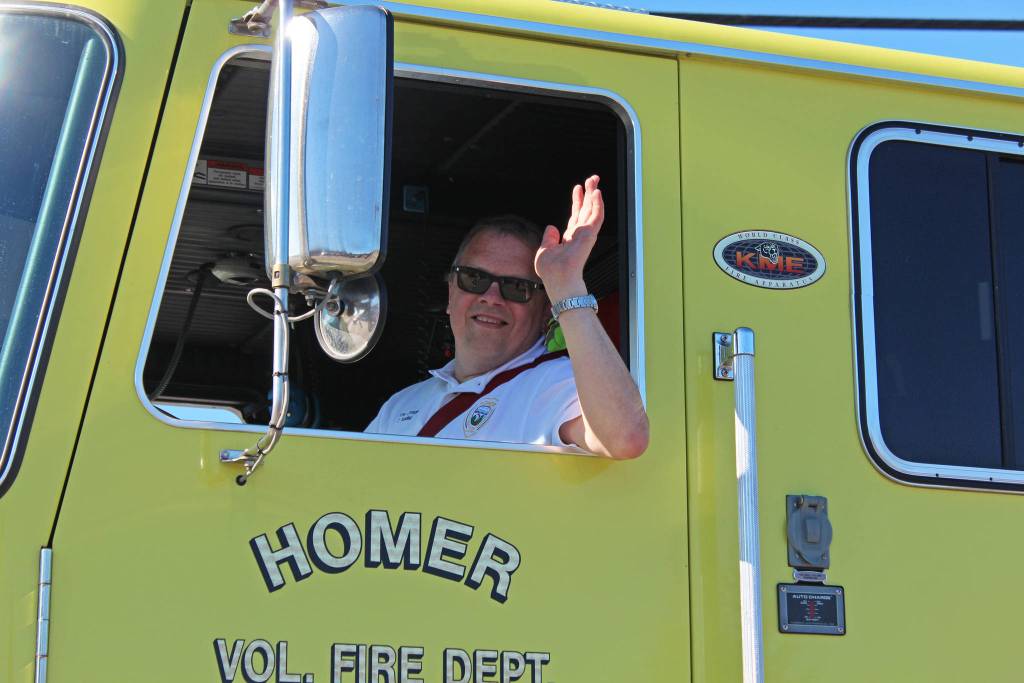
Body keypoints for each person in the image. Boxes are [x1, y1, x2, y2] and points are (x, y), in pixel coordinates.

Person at [365, 176, 648, 459]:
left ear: (544, 310)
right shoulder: (400, 406)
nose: (491, 296)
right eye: (473, 278)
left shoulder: (554, 385)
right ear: (451, 292)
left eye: (516, 287)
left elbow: (625, 438)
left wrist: (567, 283)